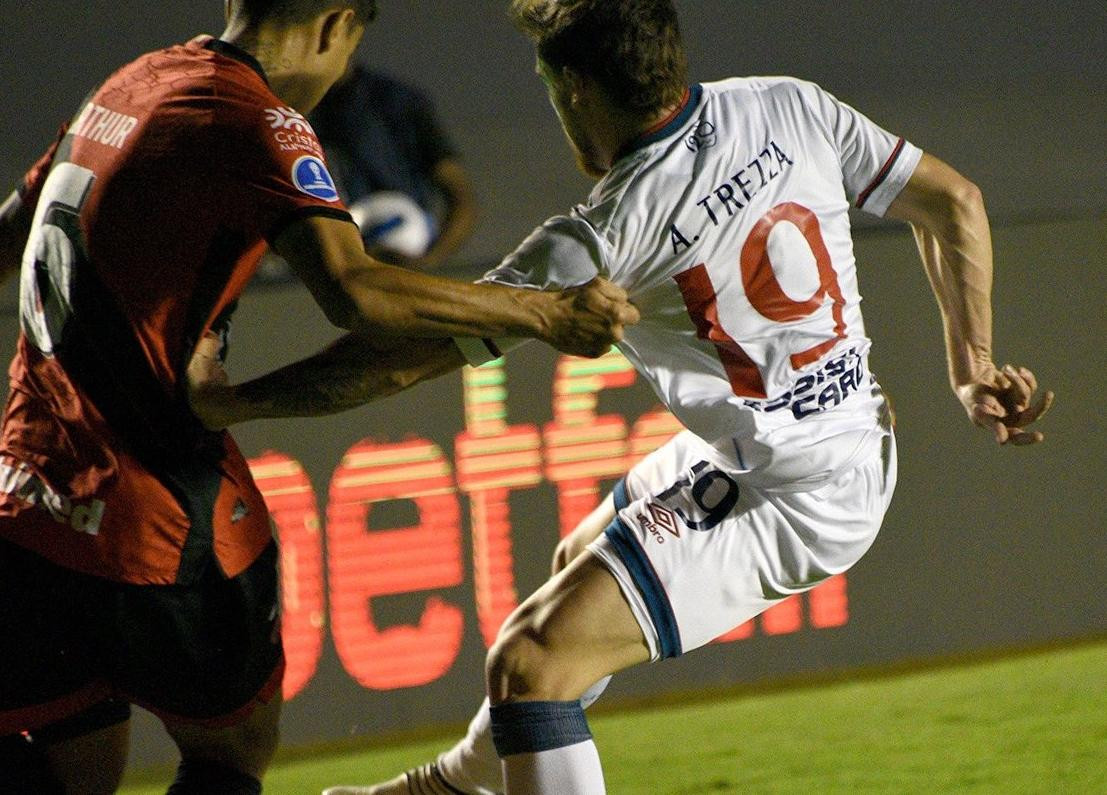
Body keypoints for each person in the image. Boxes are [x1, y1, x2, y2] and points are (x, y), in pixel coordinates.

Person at [188, 1, 1054, 793]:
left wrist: (239, 402)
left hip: (793, 493)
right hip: (827, 440)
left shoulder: (602, 232)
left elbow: (398, 360)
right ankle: (452, 784)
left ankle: (453, 786)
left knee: (532, 665)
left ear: (574, 88)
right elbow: (955, 203)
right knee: (578, 558)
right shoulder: (788, 105)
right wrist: (971, 365)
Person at [0, 0, 636, 792]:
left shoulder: (129, 84)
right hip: (151, 516)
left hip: (26, 503)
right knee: (231, 748)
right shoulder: (257, 117)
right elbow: (356, 290)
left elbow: (11, 237)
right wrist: (544, 310)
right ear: (337, 24)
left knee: (73, 762)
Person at [310, 63, 478, 268]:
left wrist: (428, 261)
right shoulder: (297, 110)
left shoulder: (399, 102)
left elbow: (461, 197)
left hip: (407, 251)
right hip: (350, 263)